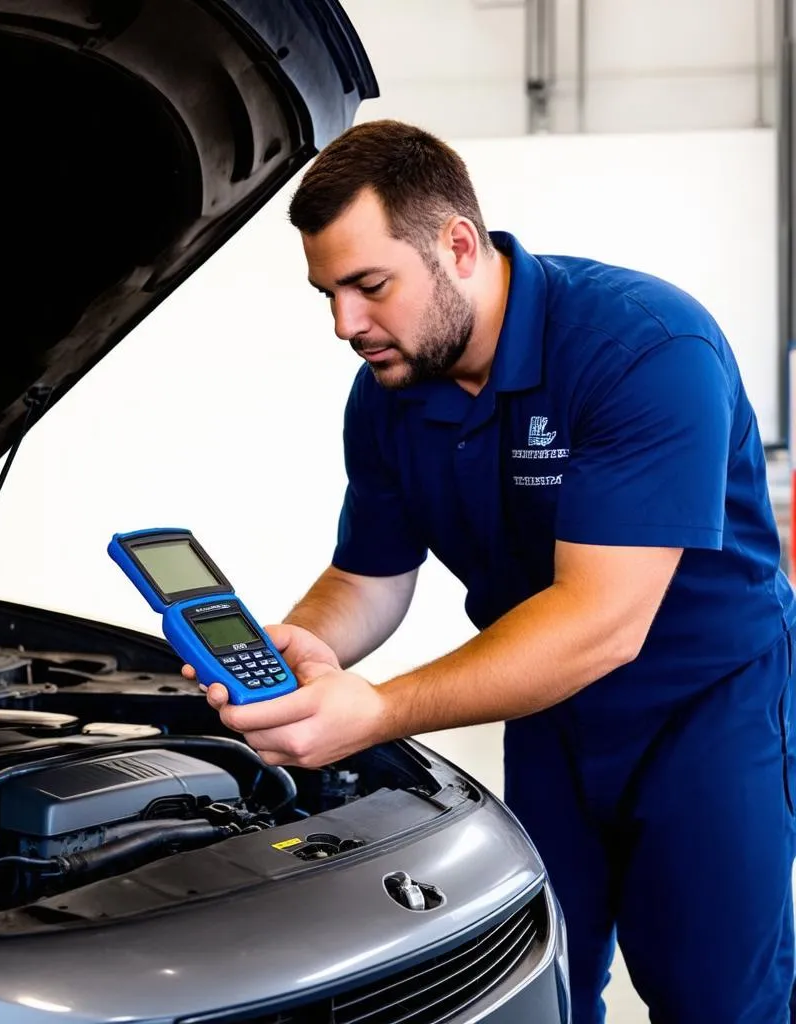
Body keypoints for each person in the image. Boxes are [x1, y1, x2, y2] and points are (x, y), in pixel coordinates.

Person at [190, 119, 796, 1022]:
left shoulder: (643, 350)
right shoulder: (391, 394)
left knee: (713, 999)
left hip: (704, 714)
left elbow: (603, 622)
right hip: (545, 714)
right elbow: (369, 575)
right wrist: (308, 648)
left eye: (369, 286)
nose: (345, 325)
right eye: (328, 293)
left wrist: (381, 711)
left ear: (458, 247)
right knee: (534, 982)